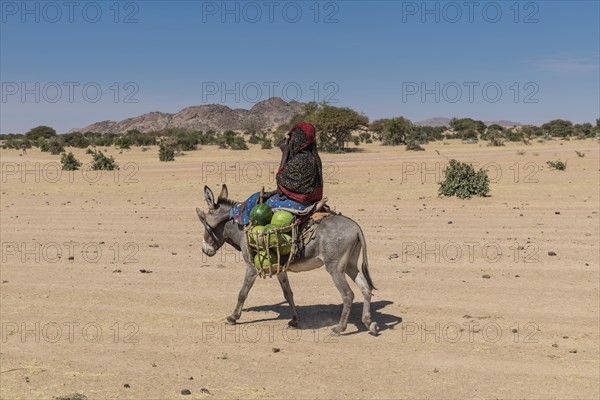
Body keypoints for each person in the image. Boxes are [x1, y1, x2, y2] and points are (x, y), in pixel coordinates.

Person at [266, 122, 323, 204]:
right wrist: (271, 193)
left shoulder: (301, 159)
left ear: (299, 139)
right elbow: (293, 187)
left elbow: (280, 180)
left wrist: (285, 154)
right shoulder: (314, 157)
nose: (289, 140)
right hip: (312, 200)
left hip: (299, 202)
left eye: (292, 137)